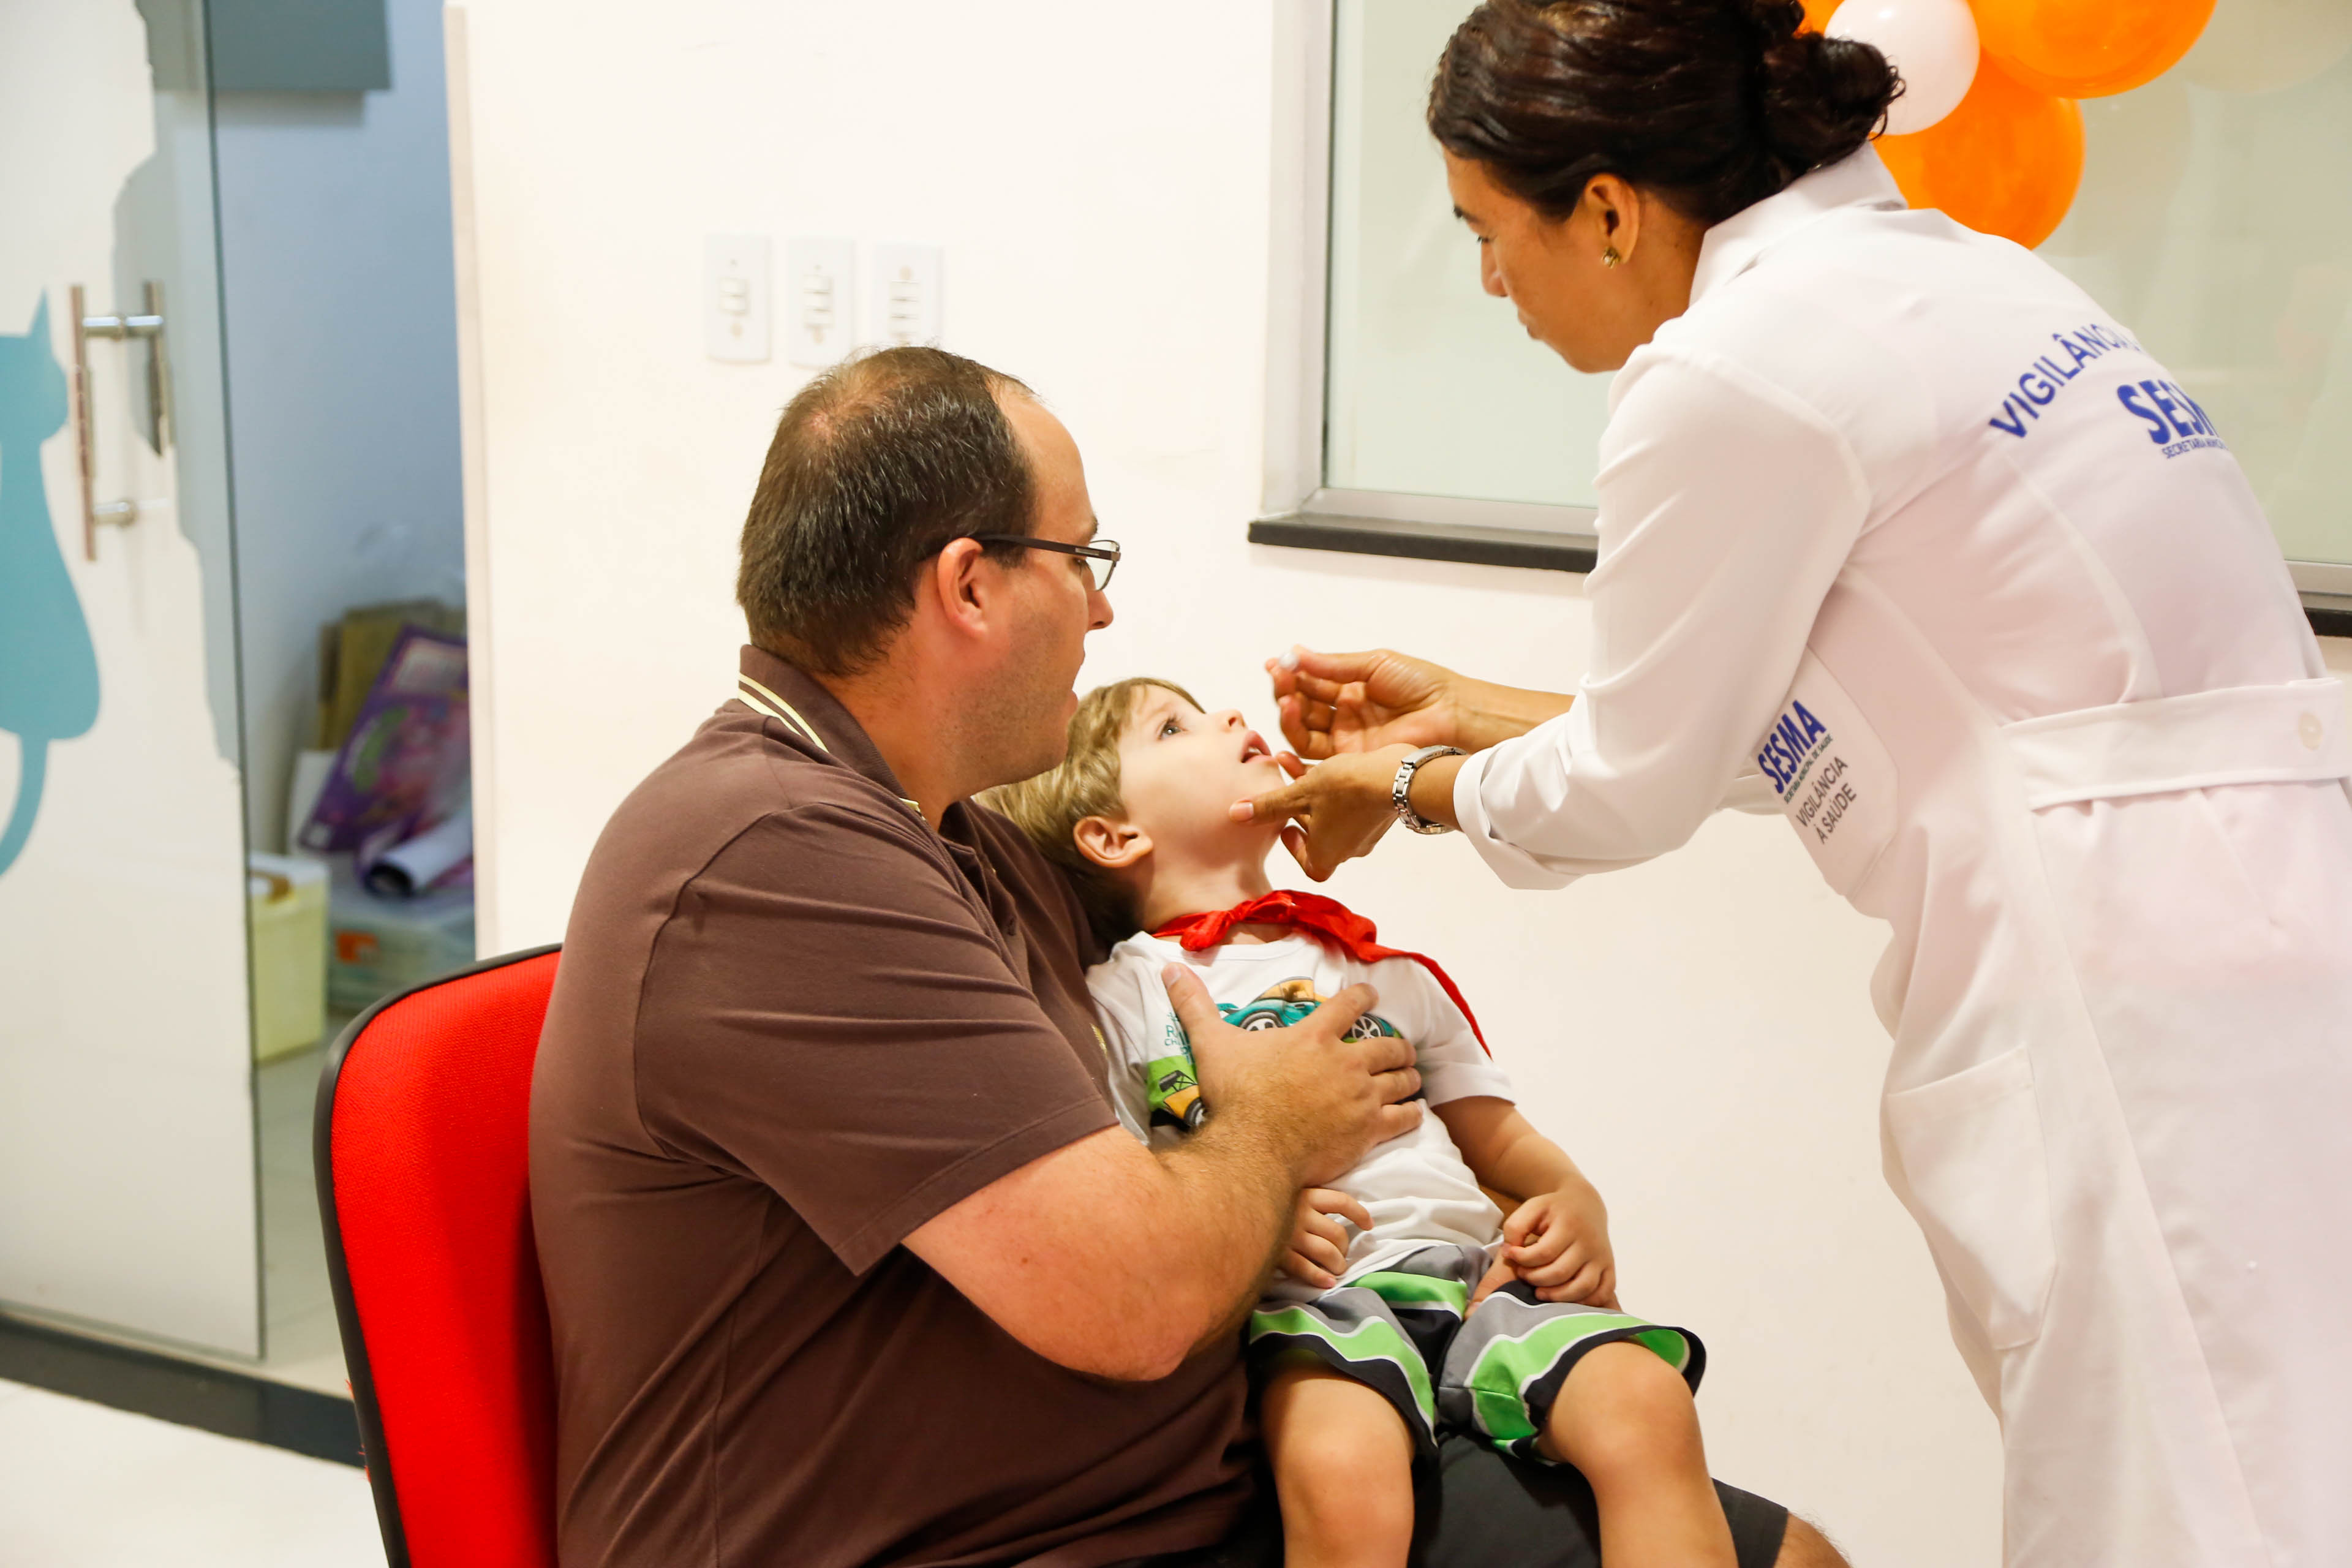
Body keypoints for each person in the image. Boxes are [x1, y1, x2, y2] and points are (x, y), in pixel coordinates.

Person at [1236, 2, 2352, 1565]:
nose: (1490, 283)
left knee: (2176, 1496)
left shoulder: (1730, 374)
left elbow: (1634, 782)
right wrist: (1471, 713)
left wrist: (1405, 786)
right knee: (2268, 1464)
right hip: (2257, 922)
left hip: (2120, 980)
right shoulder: (1958, 274)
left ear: (1609, 210)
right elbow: (1824, 724)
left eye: (1491, 236)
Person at [529, 345, 1846, 1567]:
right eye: (1082, 557)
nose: (1103, 612)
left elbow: (1177, 865)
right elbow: (1138, 1297)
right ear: (970, 583)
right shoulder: (774, 855)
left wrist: (1420, 755)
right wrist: (1274, 1124)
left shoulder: (946, 830)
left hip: (1184, 1480)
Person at [984, 675, 1766, 1568]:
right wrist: (1254, 1223)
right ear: (1114, 835)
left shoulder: (1385, 970)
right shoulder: (1122, 994)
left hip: (1486, 1284)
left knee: (1648, 1406)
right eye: (1176, 727)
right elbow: (1128, 1173)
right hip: (1320, 1309)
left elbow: (1497, 1140)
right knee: (1341, 1475)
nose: (1232, 716)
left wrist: (1573, 1198)